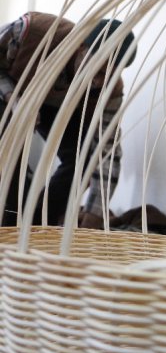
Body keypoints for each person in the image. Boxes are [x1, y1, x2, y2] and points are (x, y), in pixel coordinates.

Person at [0, 12, 136, 228]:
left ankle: (38, 223)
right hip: (9, 92)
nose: (96, 81)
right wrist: (14, 100)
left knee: (83, 156)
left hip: (57, 106)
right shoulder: (32, 33)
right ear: (81, 47)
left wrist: (96, 212)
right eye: (96, 69)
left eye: (107, 76)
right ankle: (10, 218)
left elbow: (106, 151)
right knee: (9, 147)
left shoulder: (111, 91)